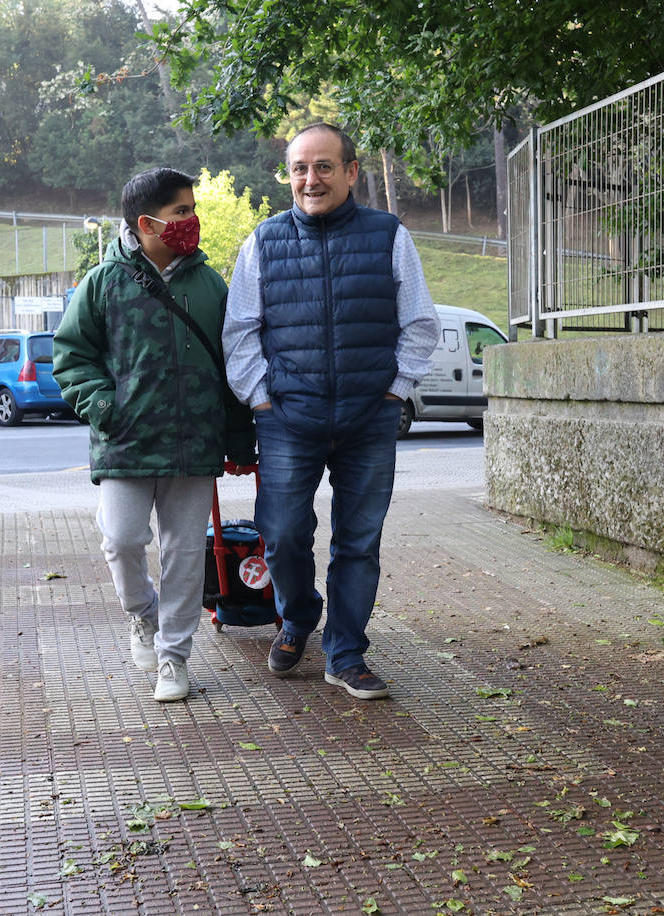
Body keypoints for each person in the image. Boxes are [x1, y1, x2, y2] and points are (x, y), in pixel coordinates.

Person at [223, 123, 440, 700]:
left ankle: (345, 653)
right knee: (281, 535)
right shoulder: (263, 242)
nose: (310, 179)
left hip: (369, 420)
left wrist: (394, 391)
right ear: (288, 175)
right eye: (299, 168)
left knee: (358, 543)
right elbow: (240, 331)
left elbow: (420, 323)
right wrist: (261, 399)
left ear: (350, 172)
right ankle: (298, 617)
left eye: (323, 166)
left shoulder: (388, 235)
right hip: (288, 420)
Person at [54, 167, 255, 703]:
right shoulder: (102, 283)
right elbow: (71, 356)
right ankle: (142, 615)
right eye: (181, 212)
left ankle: (174, 656)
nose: (192, 220)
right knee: (121, 540)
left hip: (196, 443)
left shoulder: (211, 285)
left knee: (185, 554)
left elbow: (233, 365)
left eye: (193, 209)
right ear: (146, 223)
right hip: (125, 441)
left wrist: (239, 438)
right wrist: (104, 406)